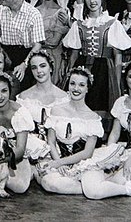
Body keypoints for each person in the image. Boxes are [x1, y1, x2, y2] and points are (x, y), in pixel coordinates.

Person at [80, 61, 131, 198]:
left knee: (116, 180)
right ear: (125, 78)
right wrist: (110, 153)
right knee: (99, 172)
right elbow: (115, 133)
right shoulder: (120, 102)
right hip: (124, 148)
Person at [62, 0, 131, 116]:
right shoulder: (79, 24)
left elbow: (118, 56)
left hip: (104, 70)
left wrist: (116, 83)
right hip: (83, 67)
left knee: (100, 107)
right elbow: (74, 53)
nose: (92, 1)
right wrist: (69, 74)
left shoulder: (112, 23)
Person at [36, 67, 104, 195]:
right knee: (47, 182)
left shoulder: (92, 118)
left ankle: (90, 187)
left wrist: (59, 163)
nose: (76, 88)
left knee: (91, 189)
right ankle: (82, 187)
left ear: (87, 88)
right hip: (58, 159)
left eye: (81, 85)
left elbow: (88, 153)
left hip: (82, 163)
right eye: (72, 83)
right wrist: (59, 164)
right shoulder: (56, 110)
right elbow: (51, 141)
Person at [0, 0, 45, 88]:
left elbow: (38, 45)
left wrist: (24, 64)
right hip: (4, 55)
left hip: (26, 56)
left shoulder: (34, 14)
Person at [16, 51, 69, 163]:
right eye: (34, 68)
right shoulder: (24, 97)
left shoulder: (64, 98)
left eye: (43, 66)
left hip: (59, 150)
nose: (39, 71)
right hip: (31, 150)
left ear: (50, 68)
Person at [36, 0, 70, 83]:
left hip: (53, 58)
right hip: (36, 58)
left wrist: (35, 42)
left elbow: (54, 41)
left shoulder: (61, 12)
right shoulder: (34, 11)